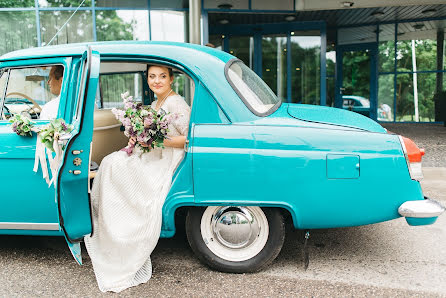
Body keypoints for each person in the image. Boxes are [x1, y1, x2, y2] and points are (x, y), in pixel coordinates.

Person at [84, 65, 191, 293]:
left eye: (162, 76)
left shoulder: (176, 103)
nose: (157, 81)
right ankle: (111, 223)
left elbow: (189, 137)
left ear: (171, 79)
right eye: (152, 77)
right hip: (154, 152)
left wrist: (158, 141)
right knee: (112, 161)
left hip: (167, 157)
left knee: (115, 166)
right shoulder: (154, 105)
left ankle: (123, 229)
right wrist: (138, 140)